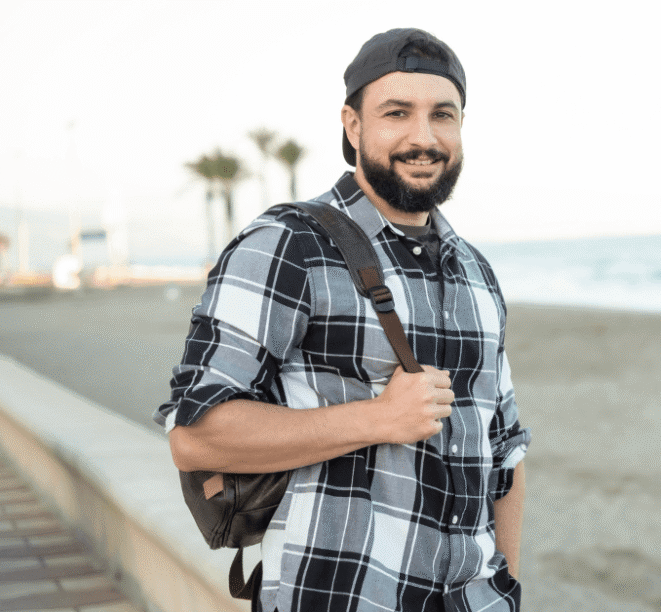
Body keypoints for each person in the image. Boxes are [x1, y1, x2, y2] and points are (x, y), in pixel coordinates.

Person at [155, 28, 529, 612]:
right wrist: (379, 418)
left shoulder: (475, 273)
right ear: (353, 126)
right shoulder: (288, 245)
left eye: (443, 115)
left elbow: (505, 455)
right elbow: (194, 436)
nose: (423, 137)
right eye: (396, 113)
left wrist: (506, 590)